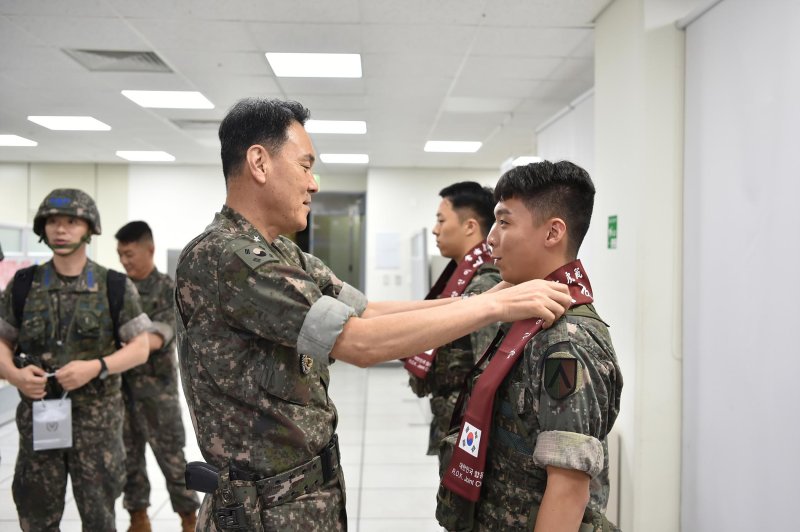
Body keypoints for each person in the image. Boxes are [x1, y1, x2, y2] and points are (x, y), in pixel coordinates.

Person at [175, 97, 573, 532]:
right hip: (262, 513)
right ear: (259, 163)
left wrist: (480, 298)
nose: (314, 184)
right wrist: (495, 305)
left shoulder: (281, 251)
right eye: (305, 166)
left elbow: (368, 311)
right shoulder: (230, 259)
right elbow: (360, 342)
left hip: (303, 496)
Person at [435, 161, 623, 531]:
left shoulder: (567, 344)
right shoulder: (529, 315)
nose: (490, 239)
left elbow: (568, 489)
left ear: (553, 232)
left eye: (504, 223)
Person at [0, 188, 152, 531]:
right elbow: (2, 340)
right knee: (36, 515)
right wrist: (13, 374)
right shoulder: (24, 284)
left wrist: (96, 367)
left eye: (71, 221)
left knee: (99, 518)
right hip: (40, 422)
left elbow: (140, 347)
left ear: (88, 229)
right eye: (53, 222)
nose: (61, 229)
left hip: (96, 428)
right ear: (43, 229)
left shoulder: (113, 285)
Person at [405, 182, 501, 459]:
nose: (435, 229)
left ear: (470, 226)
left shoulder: (484, 285)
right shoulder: (460, 278)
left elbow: (489, 373)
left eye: (441, 220)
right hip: (450, 419)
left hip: (469, 430)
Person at [115, 221, 200, 532]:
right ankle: (138, 519)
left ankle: (189, 520)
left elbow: (159, 336)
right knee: (129, 462)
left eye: (129, 254)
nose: (124, 261)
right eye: (120, 255)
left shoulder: (168, 289)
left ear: (149, 249)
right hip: (121, 393)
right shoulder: (117, 289)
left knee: (173, 462)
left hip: (157, 393)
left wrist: (128, 346)